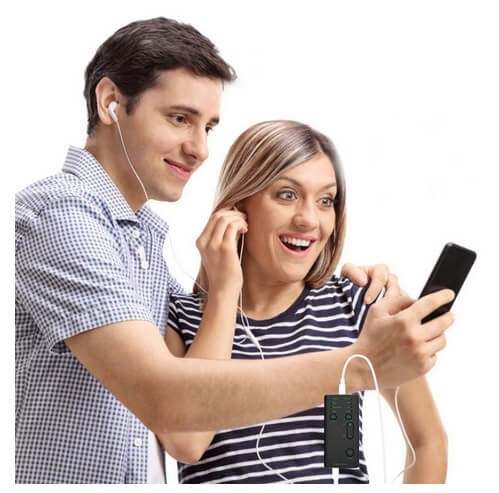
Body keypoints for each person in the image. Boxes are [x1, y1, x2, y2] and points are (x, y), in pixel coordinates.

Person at [15, 18, 454, 484]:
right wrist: (363, 362)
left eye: (208, 126)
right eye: (179, 118)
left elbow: (363, 452)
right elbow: (177, 415)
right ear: (110, 102)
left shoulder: (143, 247)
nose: (199, 149)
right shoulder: (62, 218)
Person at [160, 120, 450, 484]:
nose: (309, 220)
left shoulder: (354, 307)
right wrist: (223, 293)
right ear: (237, 206)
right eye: (287, 195)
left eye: (325, 201)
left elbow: (427, 442)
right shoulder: (180, 318)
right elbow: (187, 440)